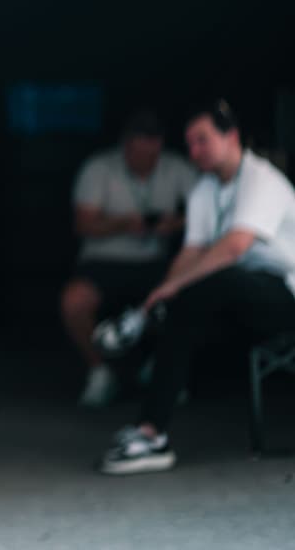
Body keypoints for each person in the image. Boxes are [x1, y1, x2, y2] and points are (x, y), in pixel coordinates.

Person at [98, 99, 295, 474]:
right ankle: (151, 432)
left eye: (202, 140)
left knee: (209, 283)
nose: (194, 151)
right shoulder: (205, 188)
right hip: (239, 296)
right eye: (189, 143)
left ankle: (152, 428)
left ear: (231, 136)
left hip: (285, 297)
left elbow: (235, 247)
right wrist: (158, 295)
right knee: (182, 307)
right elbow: (191, 251)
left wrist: (177, 287)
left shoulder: (261, 179)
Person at [62, 110, 196, 406]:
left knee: (186, 299)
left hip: (155, 264)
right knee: (73, 303)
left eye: (152, 153)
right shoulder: (99, 168)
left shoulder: (175, 167)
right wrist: (125, 224)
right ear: (126, 146)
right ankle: (100, 372)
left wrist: (173, 224)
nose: (146, 161)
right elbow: (82, 224)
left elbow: (206, 211)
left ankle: (162, 371)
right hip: (103, 261)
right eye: (139, 153)